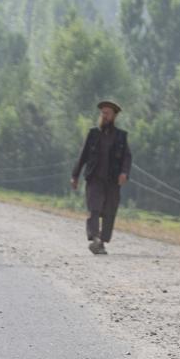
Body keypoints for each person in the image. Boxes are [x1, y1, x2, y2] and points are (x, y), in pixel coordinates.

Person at [72, 100, 132, 254]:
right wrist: (75, 175)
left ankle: (102, 241)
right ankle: (95, 238)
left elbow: (127, 157)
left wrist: (124, 172)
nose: (104, 116)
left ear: (114, 116)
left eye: (107, 113)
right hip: (94, 179)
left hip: (112, 181)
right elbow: (83, 155)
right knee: (94, 209)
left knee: (109, 212)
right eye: (102, 113)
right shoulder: (93, 134)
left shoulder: (121, 136)